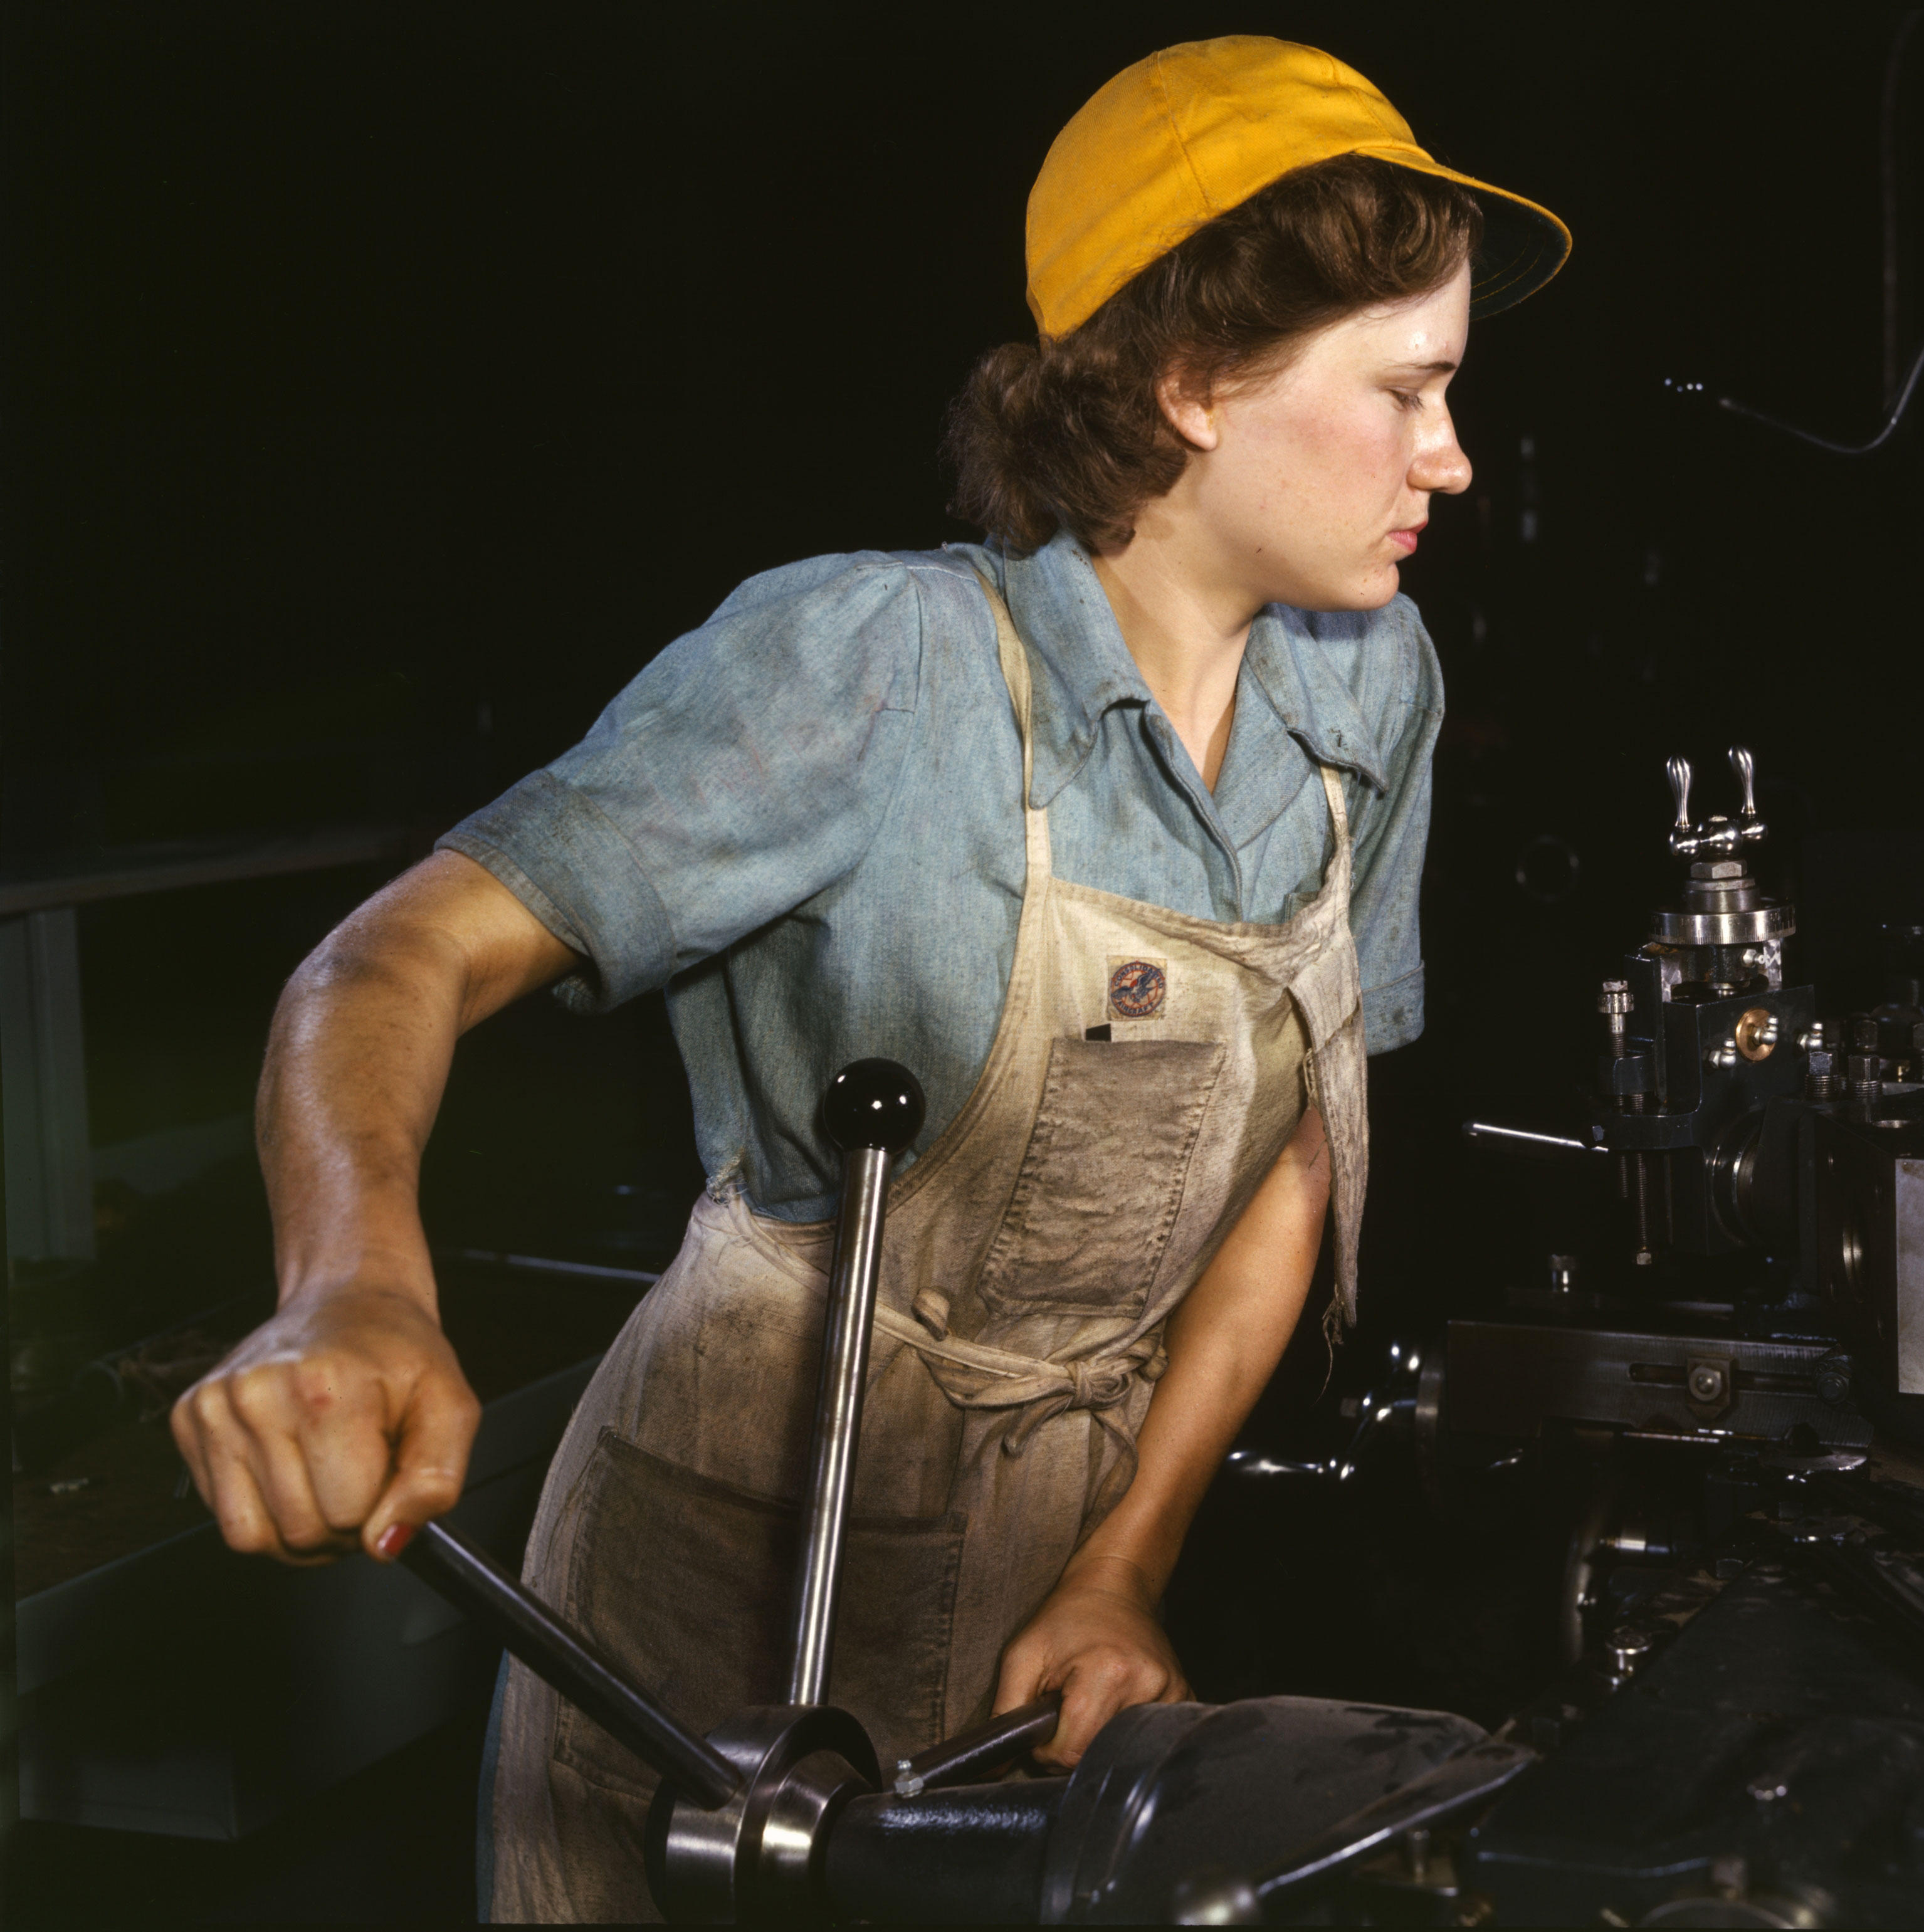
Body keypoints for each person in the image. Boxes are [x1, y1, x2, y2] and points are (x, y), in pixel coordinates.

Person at [171, 34, 1567, 1922]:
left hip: (1052, 1564)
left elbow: (1304, 1145)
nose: (1452, 458)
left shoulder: (1365, 682)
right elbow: (388, 957)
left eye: (1452, 392)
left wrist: (1129, 1561)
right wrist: (349, 1288)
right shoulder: (874, 666)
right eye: (1408, 391)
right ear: (1188, 384)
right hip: (721, 1577)